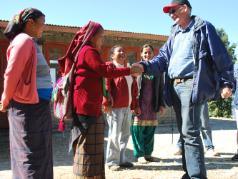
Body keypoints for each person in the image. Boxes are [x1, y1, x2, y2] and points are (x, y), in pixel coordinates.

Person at [133, 0, 234, 178]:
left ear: (185, 8)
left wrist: (227, 83)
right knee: (184, 133)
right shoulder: (175, 33)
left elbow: (220, 55)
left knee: (190, 132)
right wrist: (144, 66)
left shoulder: (203, 28)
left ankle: (196, 176)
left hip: (191, 84)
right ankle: (189, 173)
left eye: (173, 10)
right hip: (174, 86)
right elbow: (163, 58)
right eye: (168, 12)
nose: (170, 14)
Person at [59, 21, 142, 178]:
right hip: (87, 106)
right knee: (89, 146)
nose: (102, 40)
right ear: (93, 36)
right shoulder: (88, 51)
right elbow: (104, 71)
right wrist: (129, 70)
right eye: (101, 36)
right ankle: (89, 174)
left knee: (92, 145)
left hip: (90, 106)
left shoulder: (86, 51)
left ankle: (95, 172)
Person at [0, 8, 53, 178]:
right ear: (30, 22)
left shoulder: (31, 42)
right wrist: (5, 99)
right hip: (27, 107)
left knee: (40, 150)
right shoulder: (23, 41)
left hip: (38, 106)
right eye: (41, 23)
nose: (43, 27)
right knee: (29, 154)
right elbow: (11, 73)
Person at [102, 45, 139, 171]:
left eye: (124, 50)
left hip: (127, 107)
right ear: (112, 55)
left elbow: (133, 89)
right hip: (115, 108)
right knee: (114, 134)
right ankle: (112, 161)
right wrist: (106, 102)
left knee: (125, 134)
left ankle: (121, 159)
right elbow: (106, 86)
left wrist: (135, 105)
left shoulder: (128, 70)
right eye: (119, 51)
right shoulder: (110, 67)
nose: (122, 52)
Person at [130, 44, 165, 164]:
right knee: (137, 129)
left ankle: (148, 154)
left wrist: (161, 103)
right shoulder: (136, 68)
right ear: (141, 54)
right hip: (140, 103)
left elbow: (161, 87)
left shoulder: (157, 70)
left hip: (152, 104)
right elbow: (132, 87)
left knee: (150, 129)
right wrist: (133, 104)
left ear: (153, 54)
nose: (147, 55)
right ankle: (139, 154)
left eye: (149, 52)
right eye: (145, 53)